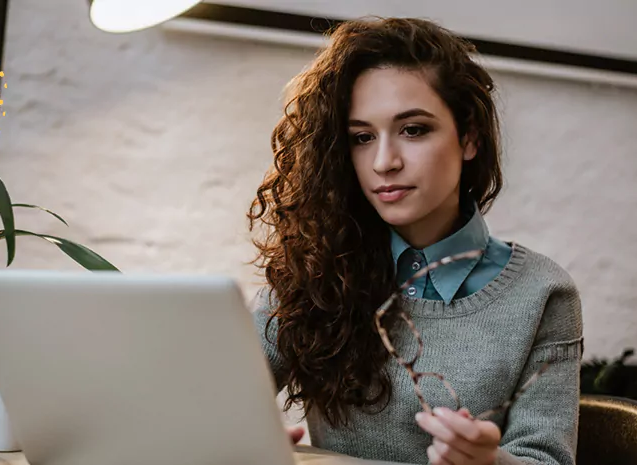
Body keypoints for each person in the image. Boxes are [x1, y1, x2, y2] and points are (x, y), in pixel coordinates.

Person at [247, 17, 583, 465]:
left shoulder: (543, 293)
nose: (384, 162)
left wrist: (490, 462)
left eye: (413, 130)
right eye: (362, 138)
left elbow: (549, 460)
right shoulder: (313, 269)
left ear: (469, 137)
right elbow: (212, 403)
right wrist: (244, 442)